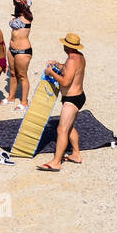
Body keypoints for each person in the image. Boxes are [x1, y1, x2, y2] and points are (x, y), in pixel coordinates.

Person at [38, 33, 87, 172]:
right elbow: (69, 71)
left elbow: (66, 81)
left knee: (62, 129)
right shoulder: (79, 57)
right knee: (69, 127)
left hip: (72, 99)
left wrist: (51, 73)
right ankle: (76, 154)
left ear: (67, 46)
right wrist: (57, 65)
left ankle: (56, 162)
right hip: (77, 96)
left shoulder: (71, 60)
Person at [7, 0, 33, 111]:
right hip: (11, 49)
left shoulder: (27, 17)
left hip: (23, 51)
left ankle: (24, 101)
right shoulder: (18, 15)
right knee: (12, 73)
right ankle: (11, 97)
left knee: (22, 76)